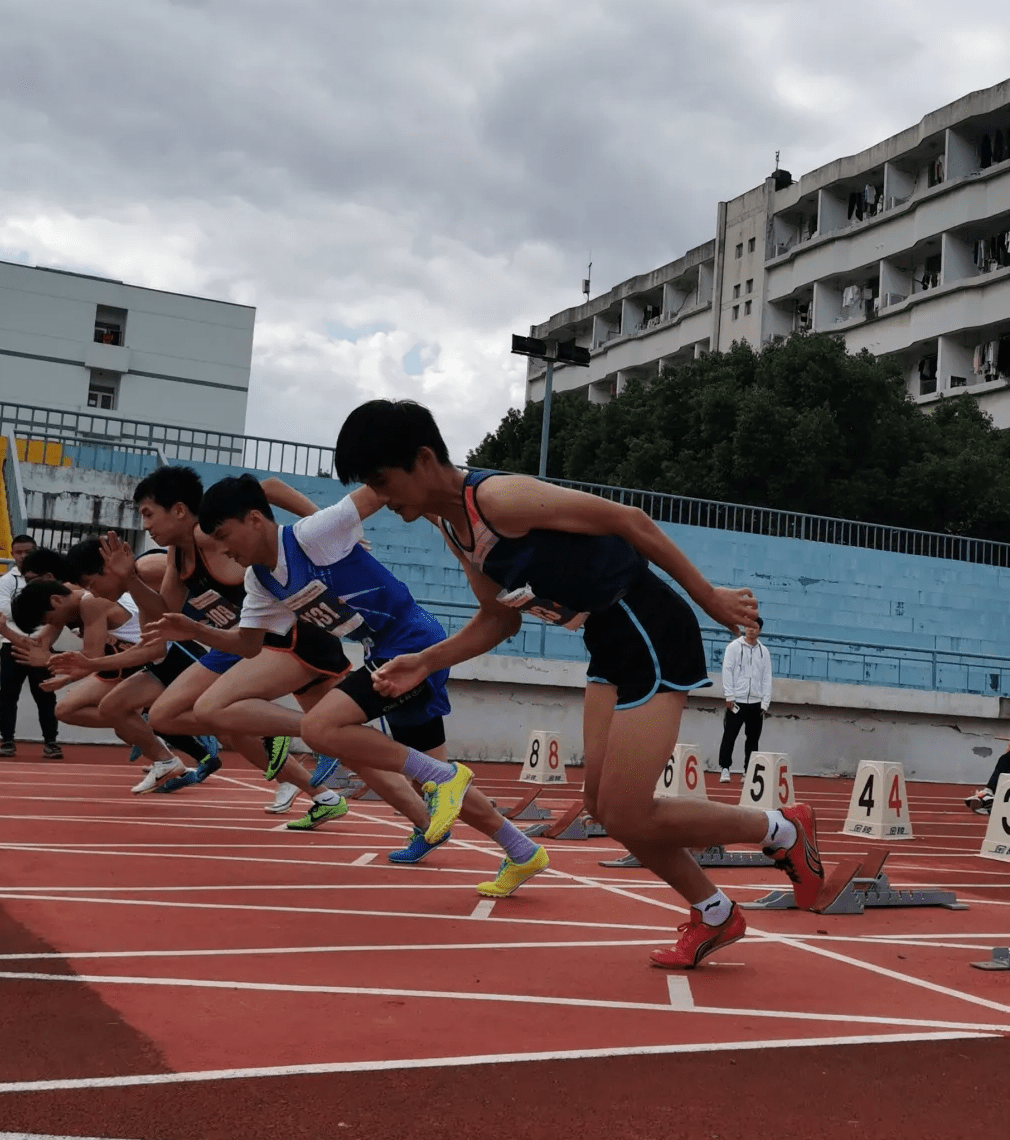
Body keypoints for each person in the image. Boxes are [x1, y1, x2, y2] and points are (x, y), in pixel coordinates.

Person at [330, 399, 848, 968]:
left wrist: (711, 599)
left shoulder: (498, 498)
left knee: (628, 811)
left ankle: (781, 831)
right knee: (602, 805)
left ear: (423, 459)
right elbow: (498, 618)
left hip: (650, 627)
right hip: (607, 638)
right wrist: (427, 660)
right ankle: (718, 913)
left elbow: (630, 521)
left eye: (382, 480)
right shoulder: (456, 531)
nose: (381, 497)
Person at [146, 473, 549, 890]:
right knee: (424, 778)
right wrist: (192, 630)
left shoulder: (314, 534)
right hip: (382, 651)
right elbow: (247, 646)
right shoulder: (259, 580)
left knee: (320, 727)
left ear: (254, 520)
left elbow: (383, 488)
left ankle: (446, 776)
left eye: (225, 536)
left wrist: (438, 503)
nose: (225, 549)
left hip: (412, 642)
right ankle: (521, 850)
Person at [97, 465, 338, 813]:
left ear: (179, 510)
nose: (145, 525)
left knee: (236, 721)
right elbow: (165, 617)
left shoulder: (214, 534)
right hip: (229, 644)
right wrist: (130, 579)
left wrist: (323, 524)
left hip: (272, 639)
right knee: (165, 717)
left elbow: (268, 487)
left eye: (149, 514)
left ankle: (296, 738)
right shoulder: (177, 558)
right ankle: (324, 797)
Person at [43, 538, 220, 791]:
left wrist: (89, 663)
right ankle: (174, 755)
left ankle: (251, 737)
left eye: (92, 585)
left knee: (221, 720)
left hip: (187, 650)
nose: (94, 593)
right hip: (163, 654)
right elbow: (151, 648)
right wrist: (90, 664)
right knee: (122, 710)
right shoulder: (136, 589)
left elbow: (206, 571)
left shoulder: (148, 569)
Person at [9, 575, 199, 794]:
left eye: (49, 620)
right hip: (139, 661)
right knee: (70, 710)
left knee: (213, 720)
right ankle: (161, 755)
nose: (52, 626)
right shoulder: (66, 601)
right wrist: (2, 630)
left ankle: (155, 735)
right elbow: (39, 645)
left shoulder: (90, 602)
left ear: (55, 601)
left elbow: (91, 656)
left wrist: (56, 665)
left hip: (169, 656)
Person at [0, 533, 62, 760]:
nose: (22, 556)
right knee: (8, 695)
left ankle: (51, 742)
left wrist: (24, 607)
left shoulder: (48, 577)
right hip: (11, 643)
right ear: (12, 554)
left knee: (46, 694)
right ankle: (7, 741)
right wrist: (35, 607)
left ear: (36, 551)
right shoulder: (6, 581)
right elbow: (4, 611)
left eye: (27, 552)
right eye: (18, 552)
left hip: (41, 643)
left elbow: (55, 608)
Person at [718, 616, 772, 782]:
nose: (751, 630)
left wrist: (765, 702)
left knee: (753, 739)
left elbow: (767, 677)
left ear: (759, 630)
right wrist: (730, 695)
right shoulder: (734, 647)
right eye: (748, 626)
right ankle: (725, 768)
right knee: (729, 735)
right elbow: (727, 671)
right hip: (737, 701)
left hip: (756, 703)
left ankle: (748, 771)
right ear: (744, 627)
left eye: (754, 627)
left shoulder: (764, 651)